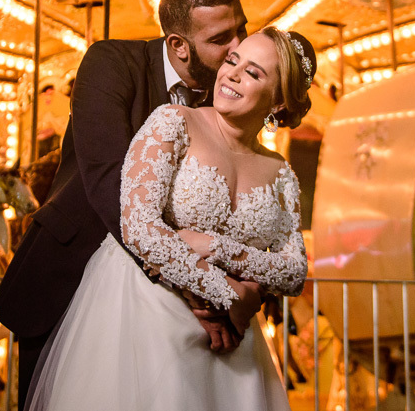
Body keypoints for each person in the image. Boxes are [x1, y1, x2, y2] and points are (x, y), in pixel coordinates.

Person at [0, 0, 251, 408]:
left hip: (179, 302)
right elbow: (109, 179)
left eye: (241, 28)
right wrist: (191, 280)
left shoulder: (226, 92)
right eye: (222, 37)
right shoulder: (111, 63)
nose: (238, 47)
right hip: (76, 271)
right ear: (178, 45)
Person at [27, 27, 314, 410]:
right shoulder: (172, 122)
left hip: (233, 343)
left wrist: (217, 249)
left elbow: (294, 271)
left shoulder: (279, 172)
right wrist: (227, 296)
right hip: (147, 316)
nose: (232, 73)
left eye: (254, 72)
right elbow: (139, 227)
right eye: (232, 61)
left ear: (278, 102)